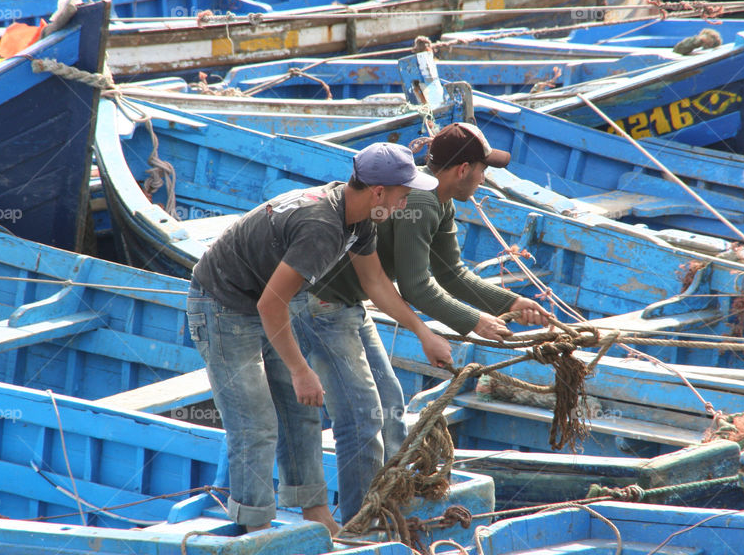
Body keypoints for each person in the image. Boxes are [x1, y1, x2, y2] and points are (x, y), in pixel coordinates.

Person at [186, 142, 453, 535]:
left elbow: (376, 282)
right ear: (378, 191)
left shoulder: (358, 217)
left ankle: (314, 514)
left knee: (300, 412)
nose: (404, 203)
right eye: (402, 194)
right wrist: (300, 370)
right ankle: (255, 527)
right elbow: (270, 306)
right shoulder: (322, 228)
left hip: (264, 301)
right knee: (256, 424)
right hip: (221, 306)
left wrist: (423, 332)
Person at [296, 122, 547, 522]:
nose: (485, 180)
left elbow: (452, 274)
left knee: (392, 404)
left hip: (348, 303)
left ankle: (392, 499)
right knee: (363, 418)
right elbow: (415, 286)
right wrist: (474, 323)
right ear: (462, 170)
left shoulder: (440, 202)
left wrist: (511, 302)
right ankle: (365, 522)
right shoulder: (425, 202)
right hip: (322, 304)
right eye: (483, 171)